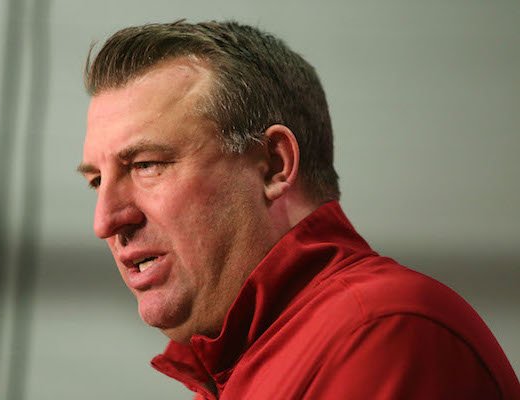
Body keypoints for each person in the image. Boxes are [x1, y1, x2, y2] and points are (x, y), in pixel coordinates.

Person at [77, 20, 519, 399]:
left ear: (273, 165)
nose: (106, 221)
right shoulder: (230, 371)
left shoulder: (380, 332)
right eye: (97, 181)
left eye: (146, 165)